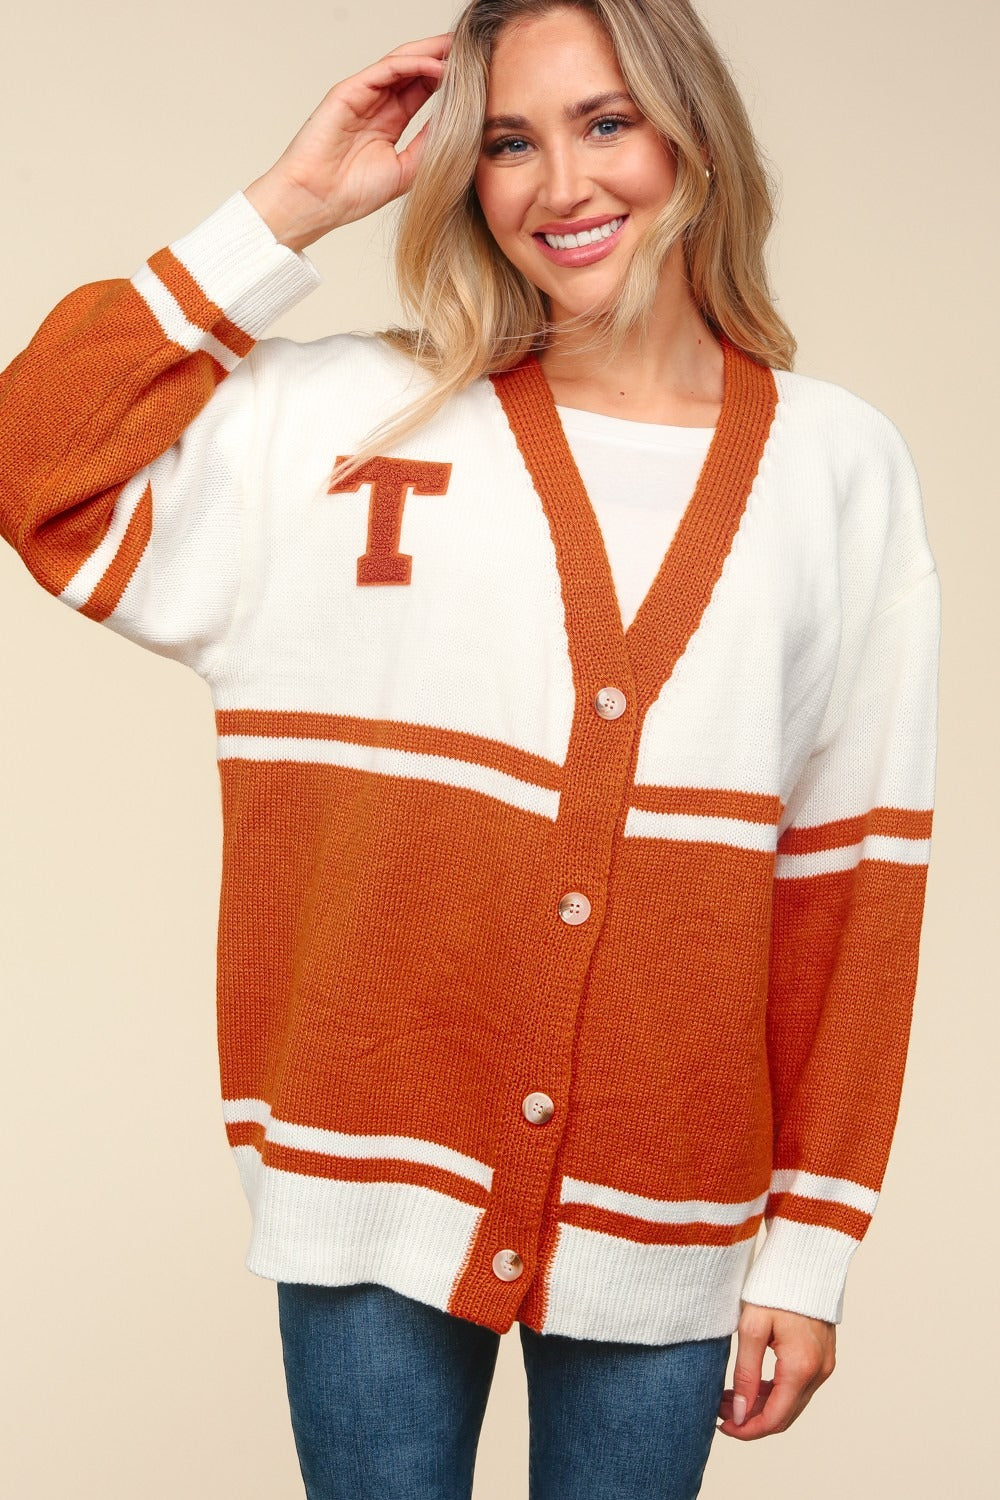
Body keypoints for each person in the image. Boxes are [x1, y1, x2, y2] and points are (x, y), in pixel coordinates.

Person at [0, 1, 940, 1496]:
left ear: (693, 130)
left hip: (668, 1203)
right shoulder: (354, 421)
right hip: (366, 1174)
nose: (560, 185)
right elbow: (34, 456)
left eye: (605, 122)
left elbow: (850, 886)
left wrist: (813, 1246)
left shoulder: (837, 466)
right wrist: (289, 207)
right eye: (510, 140)